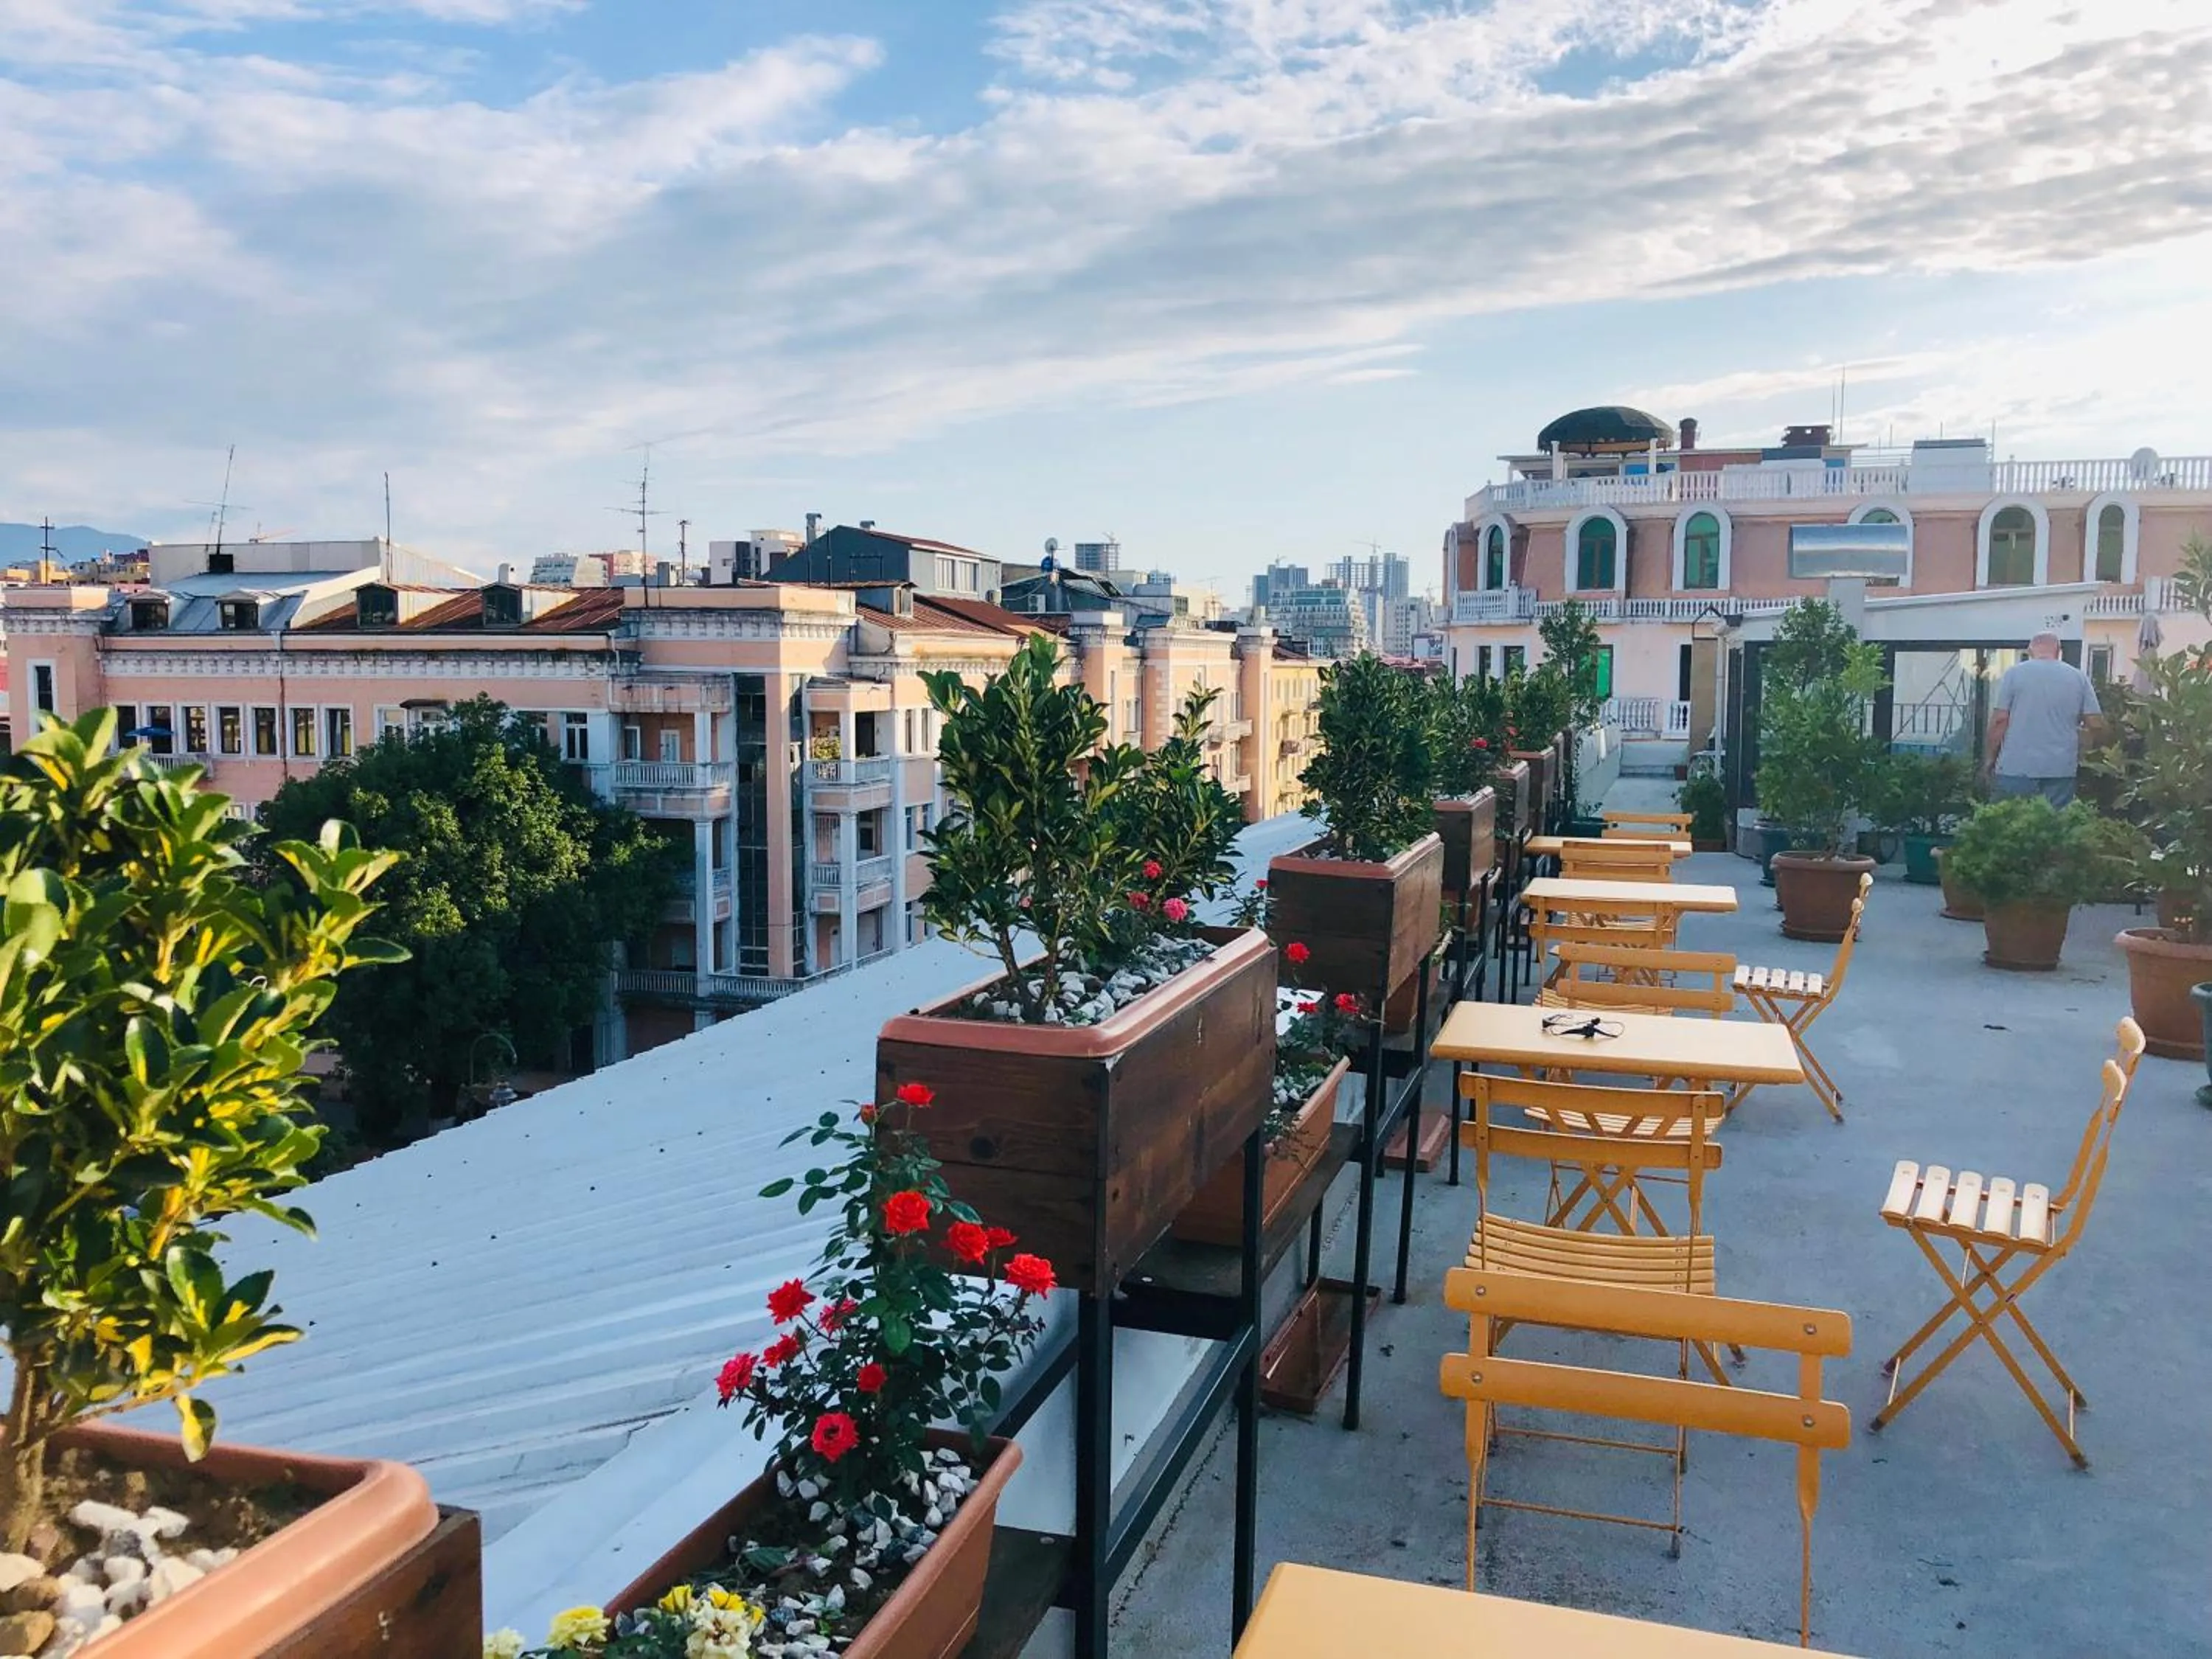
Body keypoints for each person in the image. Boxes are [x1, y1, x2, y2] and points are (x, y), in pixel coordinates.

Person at [1985, 633, 2102, 807]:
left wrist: (1989, 759)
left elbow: (2000, 721)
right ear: (2059, 651)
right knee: (2054, 827)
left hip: (2016, 766)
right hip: (2061, 769)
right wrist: (2089, 753)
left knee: (2011, 824)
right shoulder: (2078, 678)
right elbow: (2095, 723)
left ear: (2030, 651)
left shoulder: (2014, 674)